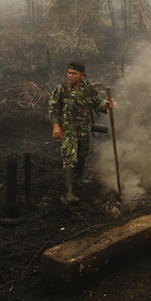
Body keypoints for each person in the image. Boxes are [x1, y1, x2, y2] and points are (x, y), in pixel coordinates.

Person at [48, 61, 110, 204]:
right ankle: (67, 194)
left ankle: (79, 178)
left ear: (82, 75)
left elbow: (97, 104)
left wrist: (106, 106)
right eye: (69, 73)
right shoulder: (61, 89)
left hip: (84, 129)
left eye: (74, 74)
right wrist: (56, 126)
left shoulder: (89, 89)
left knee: (82, 154)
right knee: (69, 157)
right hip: (68, 129)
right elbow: (53, 109)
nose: (70, 76)